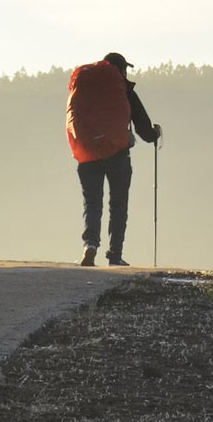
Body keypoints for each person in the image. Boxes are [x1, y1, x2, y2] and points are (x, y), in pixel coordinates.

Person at [66, 52, 161, 267]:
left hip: (87, 153)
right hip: (117, 154)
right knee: (118, 205)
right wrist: (154, 135)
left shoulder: (85, 87)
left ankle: (90, 245)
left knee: (92, 203)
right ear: (120, 69)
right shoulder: (123, 89)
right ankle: (115, 255)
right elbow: (142, 125)